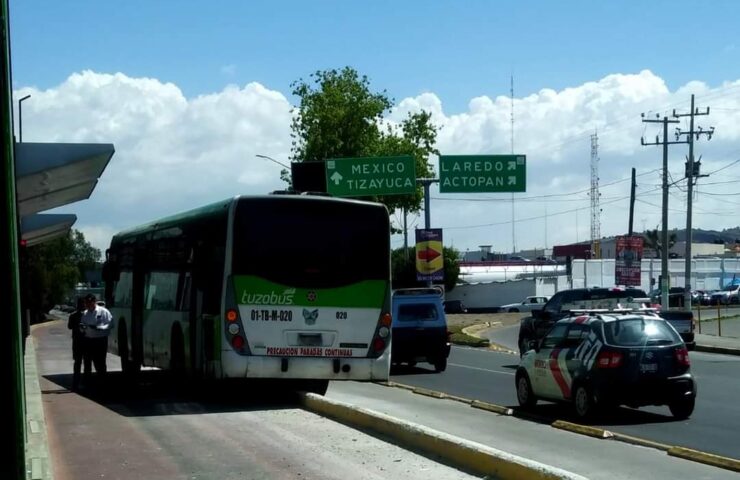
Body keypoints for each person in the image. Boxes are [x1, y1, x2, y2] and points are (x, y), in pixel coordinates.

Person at [80, 294, 113, 381]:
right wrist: (82, 328)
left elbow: (110, 324)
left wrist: (99, 328)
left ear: (94, 302)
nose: (87, 304)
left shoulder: (103, 312)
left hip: (100, 340)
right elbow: (82, 325)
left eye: (89, 302)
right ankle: (87, 381)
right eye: (86, 303)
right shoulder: (85, 313)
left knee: (100, 362)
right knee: (87, 362)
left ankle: (102, 380)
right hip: (88, 340)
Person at [67, 297, 87, 390]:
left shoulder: (73, 315)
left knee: (78, 363)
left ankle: (76, 383)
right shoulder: (87, 315)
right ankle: (85, 382)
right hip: (85, 341)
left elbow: (69, 326)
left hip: (77, 342)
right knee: (86, 363)